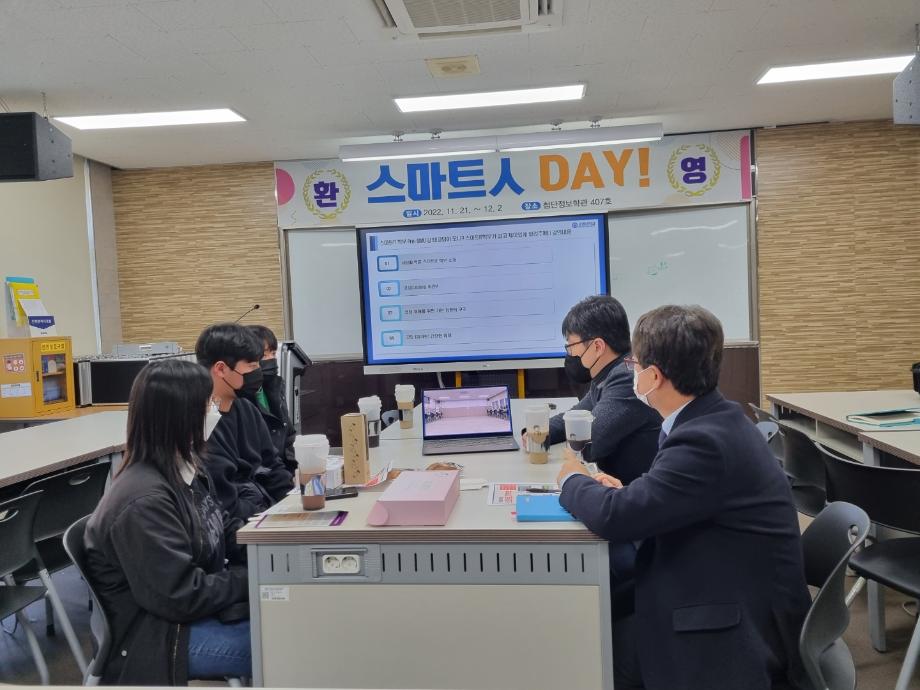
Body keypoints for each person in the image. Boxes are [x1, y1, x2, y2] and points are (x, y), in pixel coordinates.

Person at [557, 305, 810, 690]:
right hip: (719, 579)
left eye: (635, 364)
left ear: (654, 376)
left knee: (591, 656)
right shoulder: (711, 418)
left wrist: (572, 480)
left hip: (733, 627)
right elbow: (672, 495)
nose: (631, 371)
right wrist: (629, 492)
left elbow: (617, 518)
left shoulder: (703, 441)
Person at [84, 359, 251, 685]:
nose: (213, 410)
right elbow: (182, 596)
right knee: (283, 636)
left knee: (287, 612)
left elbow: (221, 525)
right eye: (206, 403)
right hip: (157, 638)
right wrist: (249, 578)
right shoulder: (143, 501)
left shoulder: (183, 469)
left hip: (187, 618)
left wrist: (267, 548)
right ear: (180, 416)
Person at [196, 323, 293, 553]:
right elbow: (222, 501)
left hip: (265, 518)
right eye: (251, 365)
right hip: (238, 537)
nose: (258, 371)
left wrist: (294, 504)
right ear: (221, 369)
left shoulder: (246, 409)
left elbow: (273, 466)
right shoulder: (201, 424)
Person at [544, 295, 661, 484]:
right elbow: (576, 416)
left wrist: (565, 447)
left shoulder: (627, 377)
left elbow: (589, 444)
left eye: (571, 346)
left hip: (632, 491)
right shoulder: (610, 371)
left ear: (597, 346)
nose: (571, 354)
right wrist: (540, 431)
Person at [244, 325, 297, 475]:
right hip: (262, 477)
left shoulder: (275, 388)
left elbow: (288, 436)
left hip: (282, 473)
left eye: (273, 353)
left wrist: (294, 471)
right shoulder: (241, 397)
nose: (271, 359)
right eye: (264, 355)